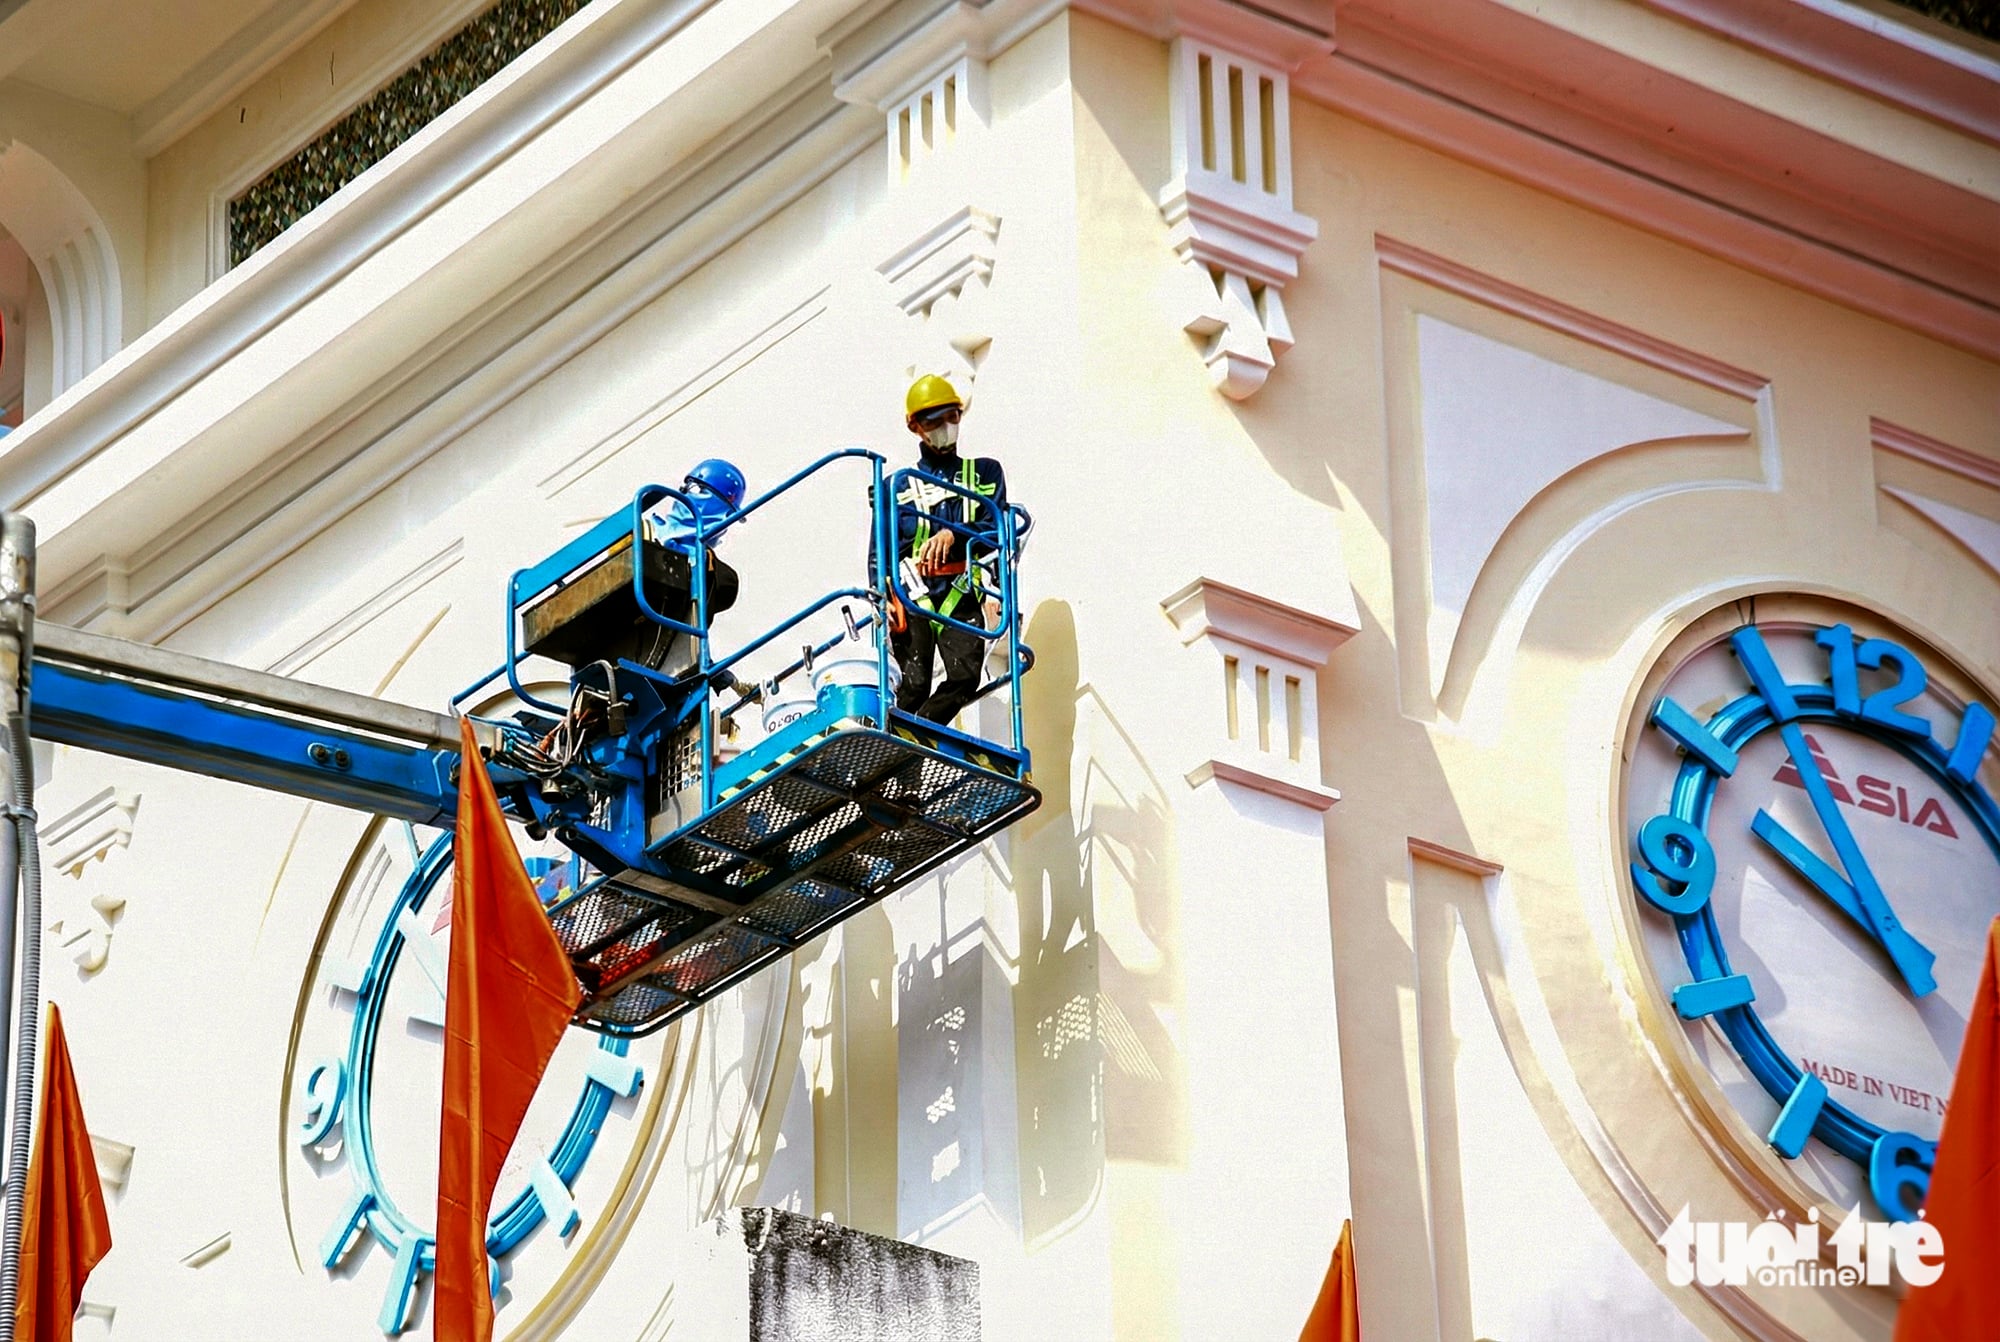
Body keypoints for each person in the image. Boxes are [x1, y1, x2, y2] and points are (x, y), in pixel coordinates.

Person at [885, 375, 1007, 723]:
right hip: (912, 589)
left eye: (951, 416)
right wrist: (882, 595)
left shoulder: (984, 473)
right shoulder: (897, 486)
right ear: (915, 427)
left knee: (965, 677)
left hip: (960, 586)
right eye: (932, 421)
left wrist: (955, 535)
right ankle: (895, 735)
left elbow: (996, 529)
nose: (944, 427)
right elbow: (881, 551)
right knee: (914, 682)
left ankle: (919, 735)